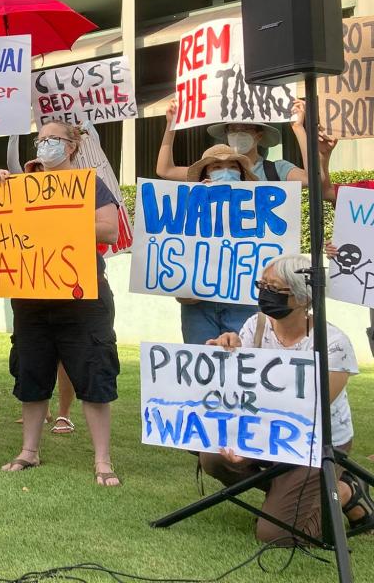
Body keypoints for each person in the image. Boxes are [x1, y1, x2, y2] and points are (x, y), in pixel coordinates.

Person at [203, 253, 374, 543]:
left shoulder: (332, 343)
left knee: (277, 536)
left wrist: (252, 445)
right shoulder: (255, 326)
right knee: (213, 458)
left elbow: (310, 410)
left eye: (275, 289)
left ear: (303, 298)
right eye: (262, 285)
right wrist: (225, 348)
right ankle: (289, 494)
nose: (264, 294)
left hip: (314, 441)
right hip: (266, 432)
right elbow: (240, 383)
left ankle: (345, 490)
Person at [0, 122, 122, 486]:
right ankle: (28, 451)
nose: (45, 144)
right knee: (31, 371)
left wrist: (60, 217)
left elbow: (109, 230)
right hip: (31, 298)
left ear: (72, 147)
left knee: (94, 370)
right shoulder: (20, 186)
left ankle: (102, 460)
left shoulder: (90, 185)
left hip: (83, 297)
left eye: (54, 139)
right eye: (41, 139)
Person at [156, 99, 335, 200]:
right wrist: (171, 125)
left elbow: (314, 179)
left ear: (259, 135)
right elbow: (165, 170)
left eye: (244, 129)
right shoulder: (212, 168)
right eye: (232, 129)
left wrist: (298, 128)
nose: (237, 133)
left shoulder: (275, 170)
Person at [174, 144, 259, 344]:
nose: (226, 172)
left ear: (242, 174)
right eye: (216, 168)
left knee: (244, 364)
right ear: (205, 175)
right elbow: (175, 248)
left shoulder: (258, 211)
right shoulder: (186, 209)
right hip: (197, 302)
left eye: (232, 166)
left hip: (244, 300)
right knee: (202, 368)